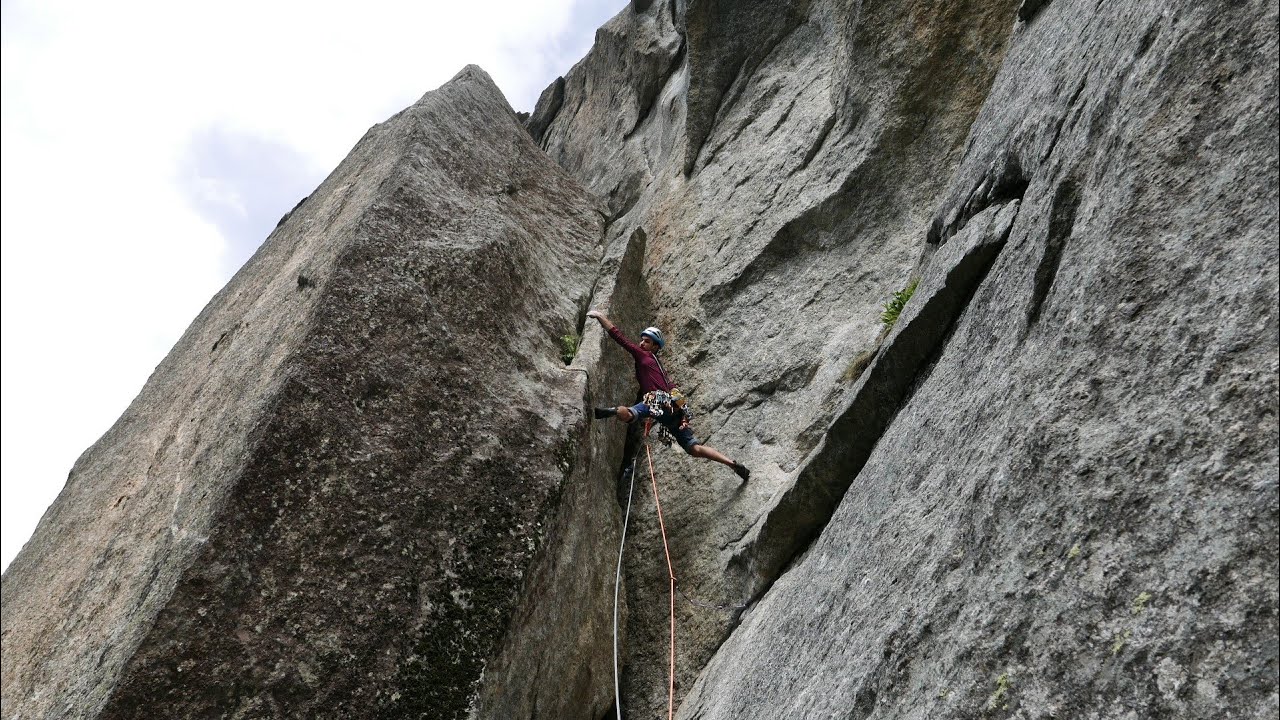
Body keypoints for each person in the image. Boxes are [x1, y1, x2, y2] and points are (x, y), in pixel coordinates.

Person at [587, 310, 750, 482]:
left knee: (628, 414)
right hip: (673, 411)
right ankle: (732, 463)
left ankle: (613, 411)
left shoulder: (643, 356)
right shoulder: (660, 369)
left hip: (654, 401)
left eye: (646, 341)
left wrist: (600, 316)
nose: (641, 343)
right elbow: (674, 391)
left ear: (655, 347)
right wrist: (683, 413)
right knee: (695, 449)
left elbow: (619, 337)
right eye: (641, 340)